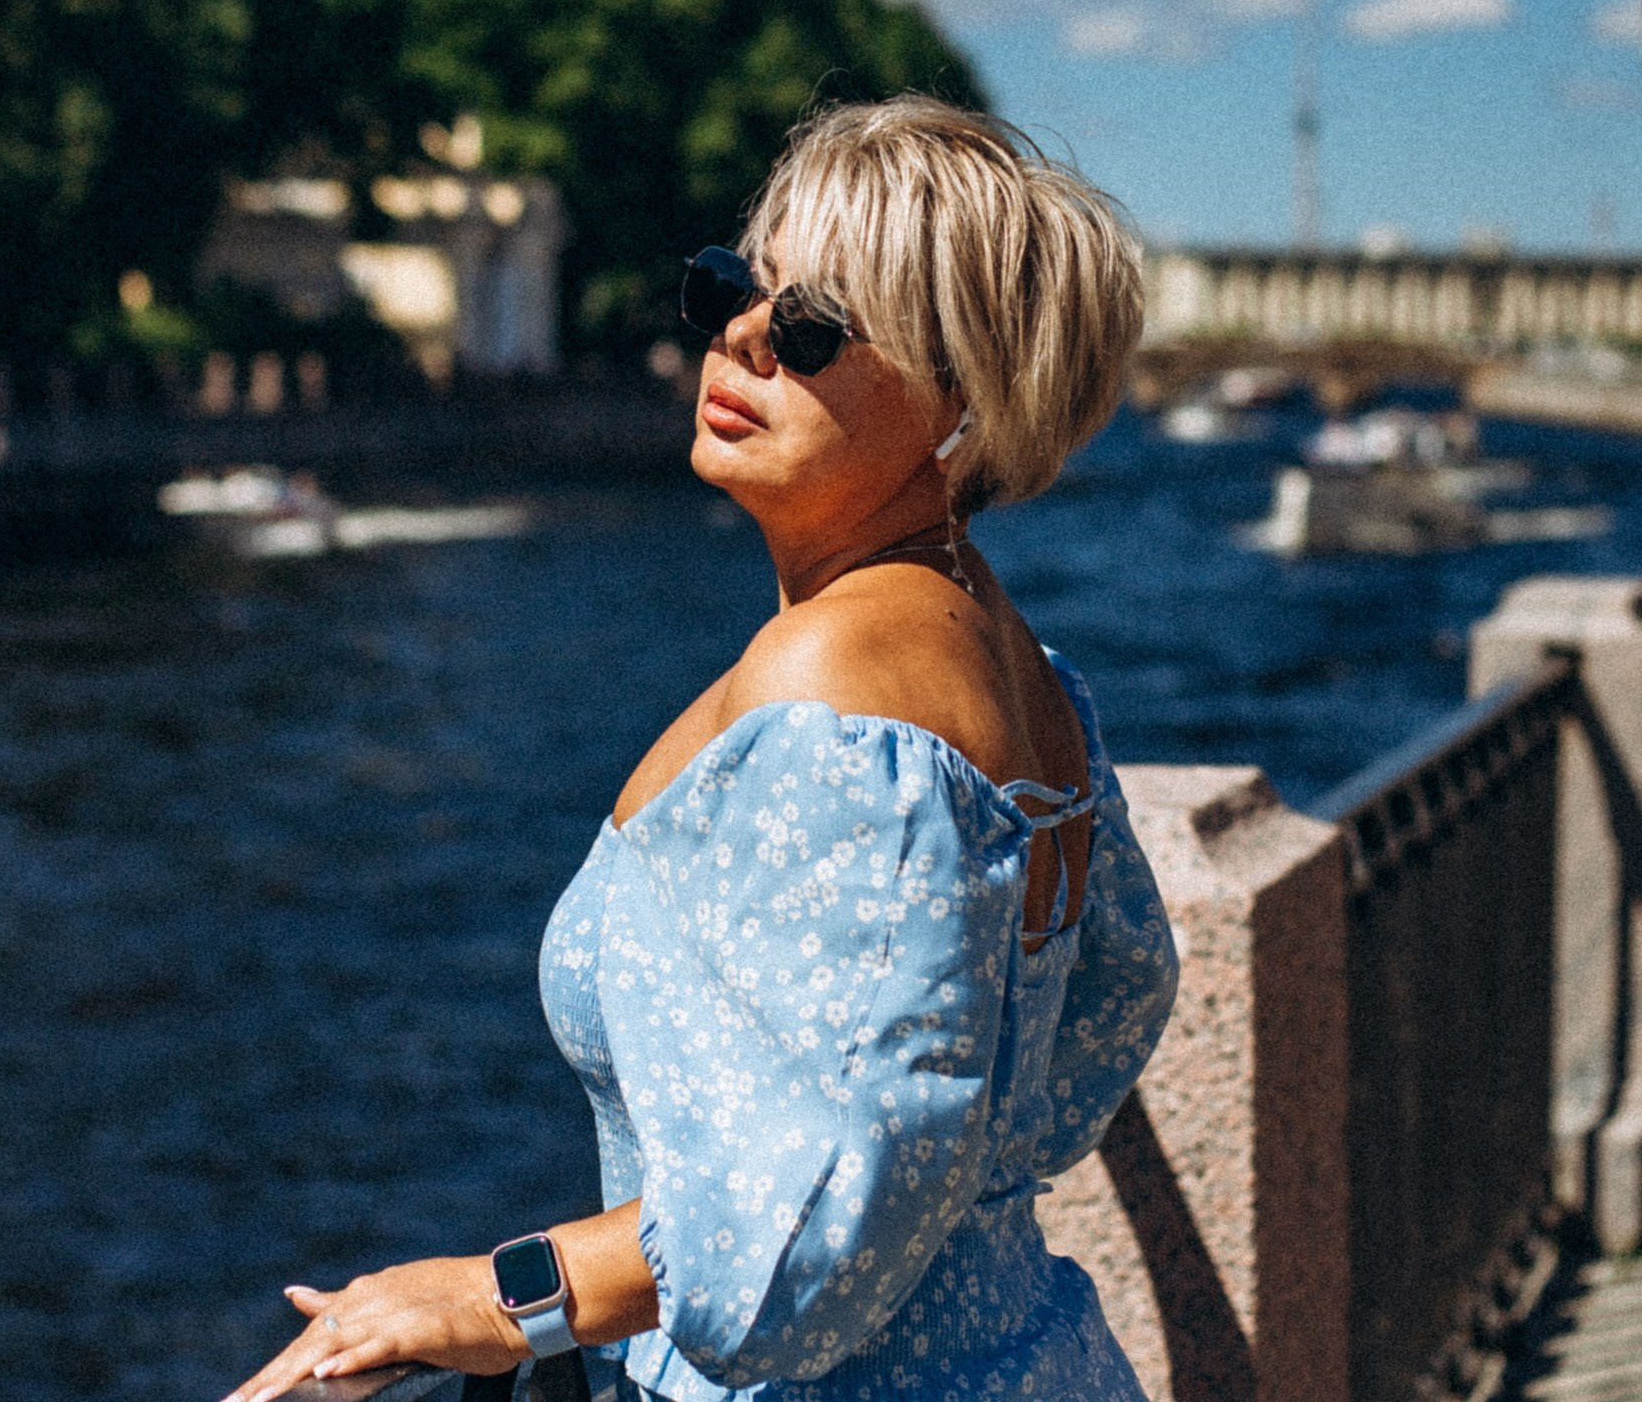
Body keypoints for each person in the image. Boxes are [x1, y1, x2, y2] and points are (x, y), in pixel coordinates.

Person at [227, 95, 1180, 1402]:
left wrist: (502, 1296)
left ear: (962, 399)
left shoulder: (836, 687)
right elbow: (1108, 1015)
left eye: (812, 326)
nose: (741, 337)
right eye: (736, 288)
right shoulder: (1028, 676)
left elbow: (800, 1243)